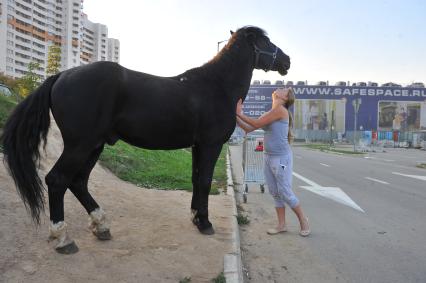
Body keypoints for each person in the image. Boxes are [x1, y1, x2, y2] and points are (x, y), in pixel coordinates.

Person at [236, 88, 310, 237]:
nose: (280, 88)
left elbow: (255, 124)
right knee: (275, 192)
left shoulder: (280, 111)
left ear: (285, 98)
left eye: (284, 89)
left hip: (282, 160)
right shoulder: (270, 113)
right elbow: (248, 128)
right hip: (269, 157)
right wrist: (234, 115)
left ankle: (303, 220)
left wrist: (238, 112)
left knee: (285, 192)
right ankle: (281, 225)